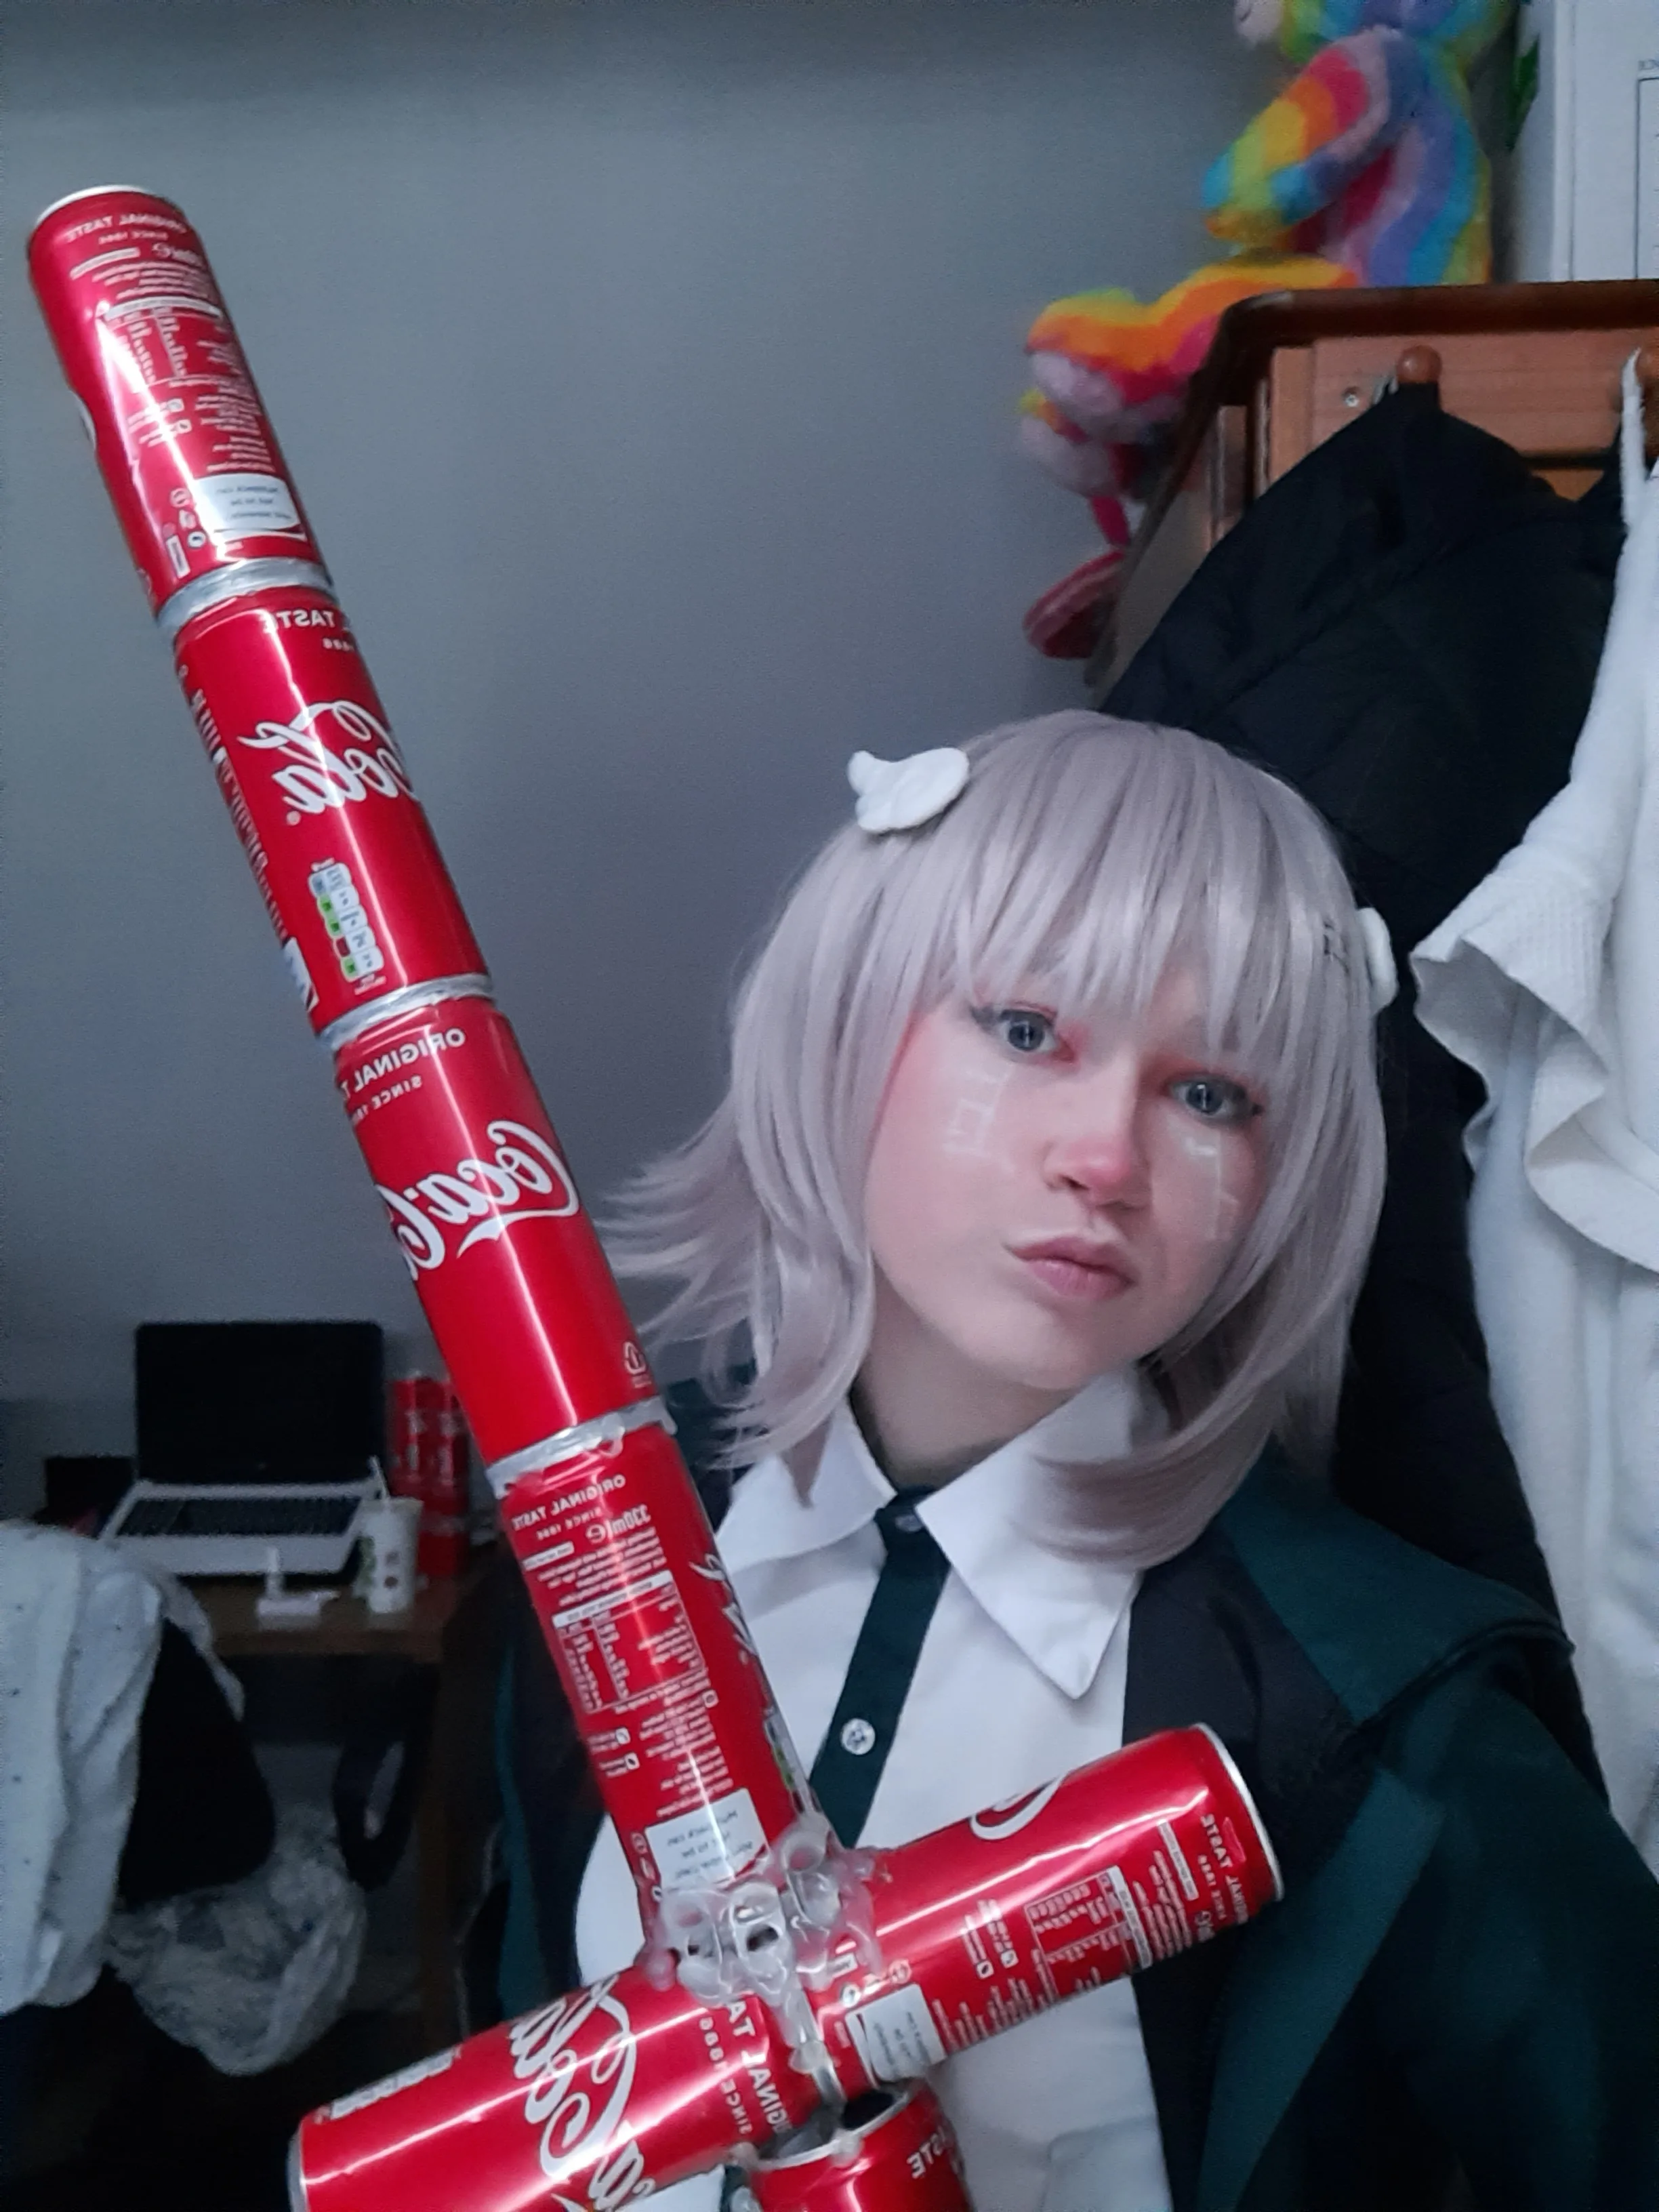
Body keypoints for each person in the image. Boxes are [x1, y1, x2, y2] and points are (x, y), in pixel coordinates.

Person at [503, 712, 1659, 2212]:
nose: (1105, 1161)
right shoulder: (609, 1556)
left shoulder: (1392, 1714)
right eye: (1028, 1031)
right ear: (845, 1015)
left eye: (1211, 1095)